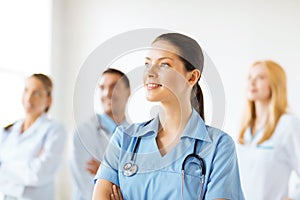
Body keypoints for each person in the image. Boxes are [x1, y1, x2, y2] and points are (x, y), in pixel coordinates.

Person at [93, 33, 245, 200]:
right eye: (147, 63)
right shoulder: (125, 138)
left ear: (192, 77)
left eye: (164, 64)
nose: (150, 72)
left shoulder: (218, 146)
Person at [237, 60, 300, 200]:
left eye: (260, 77)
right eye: (250, 77)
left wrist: (293, 197)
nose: (252, 82)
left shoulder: (287, 124)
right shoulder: (245, 127)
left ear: (275, 83)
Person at [0, 73, 66, 200]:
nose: (29, 98)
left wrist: (4, 167)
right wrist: (28, 165)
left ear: (48, 100)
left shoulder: (55, 130)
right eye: (26, 90)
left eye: (37, 93)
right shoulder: (8, 130)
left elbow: (38, 174)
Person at [70, 68, 131, 200]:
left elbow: (138, 183)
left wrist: (104, 170)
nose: (107, 93)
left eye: (114, 87)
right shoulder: (83, 133)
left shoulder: (136, 135)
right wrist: (122, 173)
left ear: (128, 92)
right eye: (102, 87)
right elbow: (88, 184)